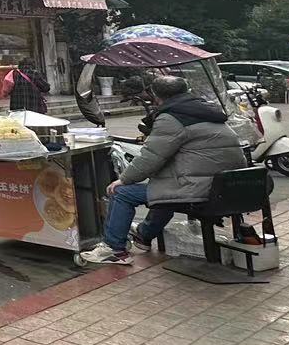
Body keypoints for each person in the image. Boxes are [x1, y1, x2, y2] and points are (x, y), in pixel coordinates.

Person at [80, 73, 247, 265]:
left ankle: (114, 249)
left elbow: (150, 158)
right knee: (161, 188)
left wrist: (123, 179)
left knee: (121, 192)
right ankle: (144, 235)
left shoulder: (172, 118)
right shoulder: (208, 111)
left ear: (155, 96)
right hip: (228, 187)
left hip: (199, 190)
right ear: (186, 91)